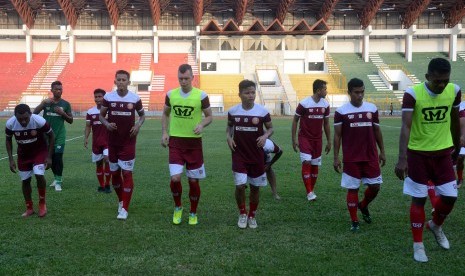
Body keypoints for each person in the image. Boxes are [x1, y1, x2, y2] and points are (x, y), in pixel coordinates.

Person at [394, 57, 462, 263]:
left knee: (451, 197)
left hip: (443, 154)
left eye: (445, 80)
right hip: (418, 154)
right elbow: (405, 126)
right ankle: (418, 246)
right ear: (427, 77)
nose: (441, 85)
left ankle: (435, 225)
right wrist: (402, 158)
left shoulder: (454, 90)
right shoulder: (413, 94)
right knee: (419, 199)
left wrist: (458, 147)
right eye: (437, 81)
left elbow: (454, 120)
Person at [161, 64, 213, 226]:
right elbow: (165, 113)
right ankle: (178, 207)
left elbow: (210, 116)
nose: (183, 81)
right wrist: (164, 132)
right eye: (180, 78)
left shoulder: (201, 95)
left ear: (192, 78)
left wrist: (202, 125)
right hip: (176, 142)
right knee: (175, 178)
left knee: (193, 181)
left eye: (186, 78)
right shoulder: (171, 95)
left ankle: (193, 212)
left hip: (194, 144)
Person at [333, 78, 386, 232]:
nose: (360, 95)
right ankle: (354, 220)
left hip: (370, 156)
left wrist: (382, 151)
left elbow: (377, 131)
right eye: (356, 92)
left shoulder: (372, 108)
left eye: (362, 91)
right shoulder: (341, 111)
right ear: (349, 93)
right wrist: (336, 158)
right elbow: (337, 136)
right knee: (353, 189)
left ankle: (363, 205)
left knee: (375, 187)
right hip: (351, 158)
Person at [227, 79, 273, 229]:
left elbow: (271, 129)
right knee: (240, 186)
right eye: (247, 93)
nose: (251, 95)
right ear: (239, 94)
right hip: (239, 154)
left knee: (255, 188)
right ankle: (242, 213)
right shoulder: (233, 111)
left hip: (256, 155)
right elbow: (229, 129)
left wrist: (265, 136)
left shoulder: (262, 112)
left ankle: (252, 215)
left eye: (253, 92)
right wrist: (228, 137)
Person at [99, 70, 145, 220]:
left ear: (128, 82)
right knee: (115, 175)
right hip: (112, 142)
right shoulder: (108, 97)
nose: (120, 82)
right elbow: (101, 115)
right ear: (115, 81)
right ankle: (121, 200)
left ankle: (124, 208)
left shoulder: (135, 98)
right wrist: (106, 124)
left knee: (127, 173)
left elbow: (142, 116)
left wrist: (137, 125)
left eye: (123, 80)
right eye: (118, 80)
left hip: (128, 142)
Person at [5, 104, 55, 217]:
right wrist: (11, 159)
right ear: (15, 117)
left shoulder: (39, 121)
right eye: (20, 119)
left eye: (26, 118)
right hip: (23, 155)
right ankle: (29, 208)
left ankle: (42, 203)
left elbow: (52, 135)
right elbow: (8, 140)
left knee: (39, 174)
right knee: (25, 180)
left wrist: (49, 156)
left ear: (30, 115)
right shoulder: (10, 123)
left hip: (39, 151)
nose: (23, 122)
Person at [291, 79, 331, 202]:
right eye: (324, 89)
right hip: (304, 138)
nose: (326, 91)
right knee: (307, 162)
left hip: (317, 140)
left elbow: (326, 124)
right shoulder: (304, 103)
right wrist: (294, 139)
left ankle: (311, 190)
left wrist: (329, 141)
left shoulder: (325, 104)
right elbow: (295, 120)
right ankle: (309, 192)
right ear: (318, 90)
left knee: (314, 165)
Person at [33, 80, 73, 192]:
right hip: (46, 136)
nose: (59, 91)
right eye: (56, 89)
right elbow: (34, 113)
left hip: (59, 135)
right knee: (50, 158)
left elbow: (71, 120)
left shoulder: (65, 104)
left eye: (60, 89)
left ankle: (58, 182)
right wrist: (42, 103)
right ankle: (56, 178)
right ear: (51, 90)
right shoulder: (47, 103)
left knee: (57, 158)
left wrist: (63, 113)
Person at [85, 88, 111, 193]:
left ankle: (108, 184)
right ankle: (101, 185)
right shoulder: (90, 111)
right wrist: (86, 138)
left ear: (104, 97)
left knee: (107, 160)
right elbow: (88, 126)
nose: (97, 99)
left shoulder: (109, 111)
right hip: (96, 142)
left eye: (100, 96)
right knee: (98, 164)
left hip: (108, 141)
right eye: (96, 97)